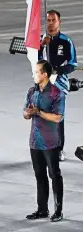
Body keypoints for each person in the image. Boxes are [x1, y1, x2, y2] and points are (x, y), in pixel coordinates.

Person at [23, 60, 65, 222]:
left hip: (50, 142)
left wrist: (38, 112)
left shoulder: (56, 93)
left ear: (44, 74)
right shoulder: (32, 91)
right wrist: (28, 113)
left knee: (54, 175)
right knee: (39, 175)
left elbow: (57, 117)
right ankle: (42, 209)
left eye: (36, 72)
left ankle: (58, 210)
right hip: (35, 141)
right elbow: (25, 113)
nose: (34, 74)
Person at [39, 9, 78, 161]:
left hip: (59, 85)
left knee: (56, 117)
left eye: (53, 20)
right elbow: (34, 60)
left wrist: (57, 70)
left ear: (59, 22)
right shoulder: (42, 41)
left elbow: (73, 64)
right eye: (48, 20)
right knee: (42, 117)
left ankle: (59, 149)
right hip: (43, 85)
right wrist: (41, 46)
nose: (50, 23)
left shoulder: (65, 41)